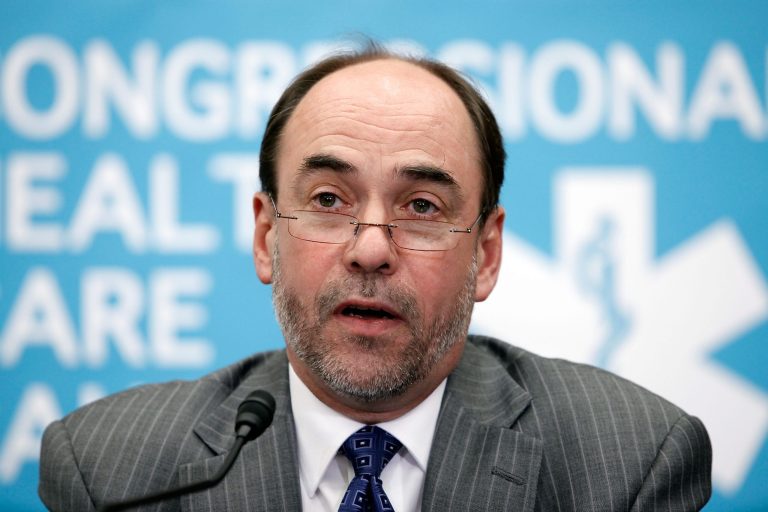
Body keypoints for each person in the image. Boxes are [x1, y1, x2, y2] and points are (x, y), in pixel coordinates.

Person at [39, 45, 712, 511]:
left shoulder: (627, 463)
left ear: (486, 253)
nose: (369, 250)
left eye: (422, 207)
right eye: (329, 200)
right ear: (267, 235)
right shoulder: (109, 469)